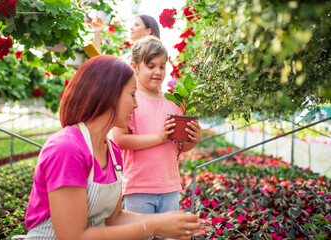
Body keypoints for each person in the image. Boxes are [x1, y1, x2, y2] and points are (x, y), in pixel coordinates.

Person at [24, 55, 210, 240]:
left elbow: (115, 219)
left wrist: (170, 222)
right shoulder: (66, 148)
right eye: (132, 95)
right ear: (108, 95)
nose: (136, 104)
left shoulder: (112, 152)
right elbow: (73, 236)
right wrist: (155, 225)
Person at [113, 36, 202, 216]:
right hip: (139, 187)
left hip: (169, 186)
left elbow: (178, 146)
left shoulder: (173, 103)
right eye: (151, 66)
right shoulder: (130, 101)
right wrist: (159, 137)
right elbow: (119, 139)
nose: (158, 72)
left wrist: (193, 140)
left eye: (162, 66)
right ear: (134, 68)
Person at [93, 15, 160, 64]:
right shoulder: (127, 56)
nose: (131, 28)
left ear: (147, 31)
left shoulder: (151, 57)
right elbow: (100, 64)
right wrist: (97, 32)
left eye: (136, 25)